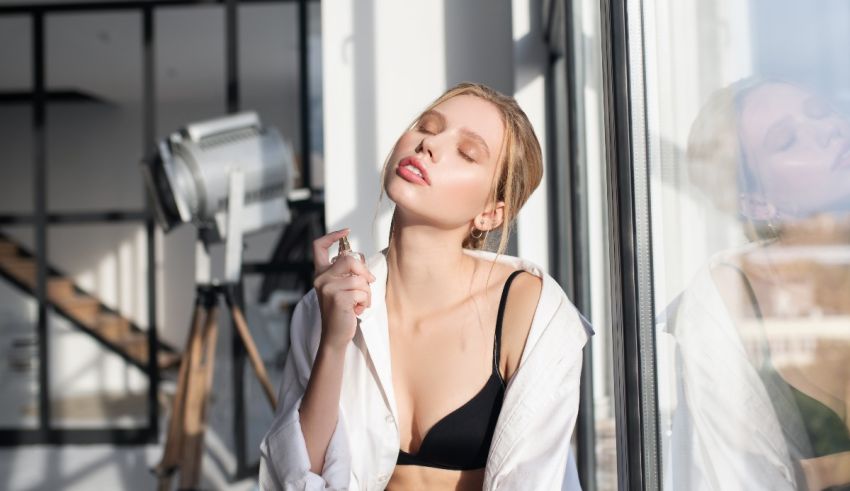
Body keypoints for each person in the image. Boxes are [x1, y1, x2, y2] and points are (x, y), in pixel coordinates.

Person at [258, 82, 591, 490]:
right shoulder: (329, 304)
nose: (428, 146)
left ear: (490, 213)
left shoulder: (532, 312)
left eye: (467, 153)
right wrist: (332, 343)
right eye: (427, 128)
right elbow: (291, 480)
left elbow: (532, 480)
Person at [664, 78, 850, 491]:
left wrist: (824, 471)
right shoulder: (724, 301)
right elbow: (731, 473)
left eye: (820, 112)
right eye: (787, 141)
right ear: (758, 202)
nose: (827, 131)